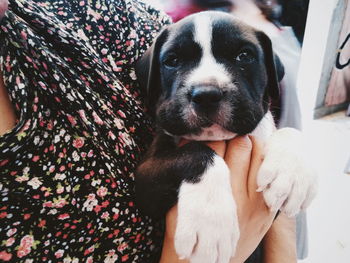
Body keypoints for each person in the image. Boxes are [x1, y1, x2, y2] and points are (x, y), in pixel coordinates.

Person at [0, 0, 296, 262]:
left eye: (244, 56)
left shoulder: (111, 18)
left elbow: (286, 202)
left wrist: (288, 147)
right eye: (174, 61)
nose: (206, 86)